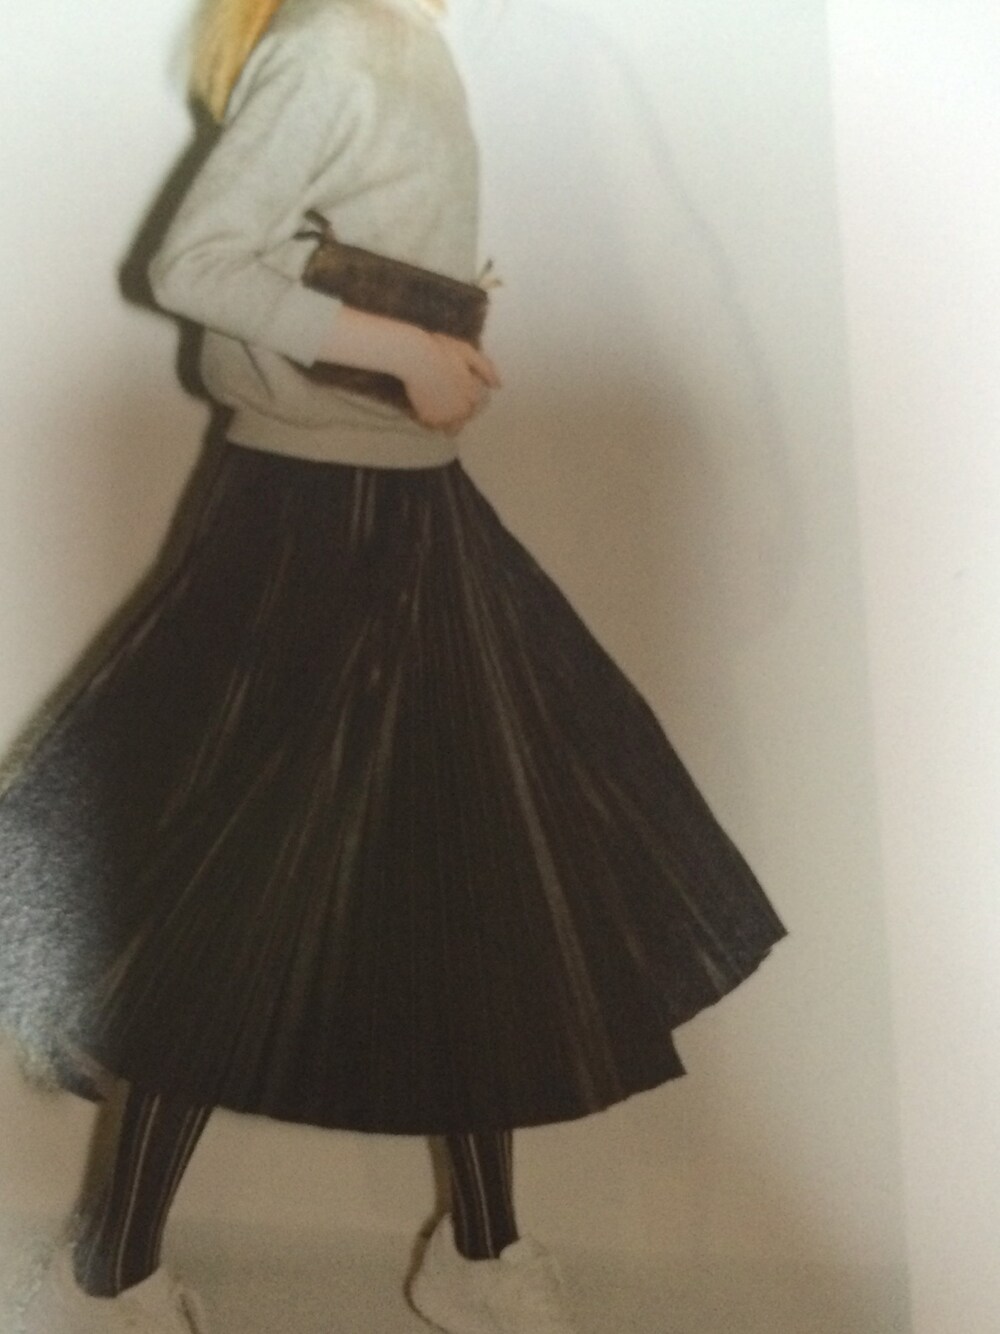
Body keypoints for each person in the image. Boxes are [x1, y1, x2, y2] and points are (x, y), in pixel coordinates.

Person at [1, 0, 788, 1330]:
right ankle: (110, 1280)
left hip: (406, 506)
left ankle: (476, 1259)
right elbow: (196, 260)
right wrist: (405, 349)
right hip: (309, 521)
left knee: (475, 872)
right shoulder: (343, 44)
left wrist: (431, 345)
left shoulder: (403, 40)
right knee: (231, 896)